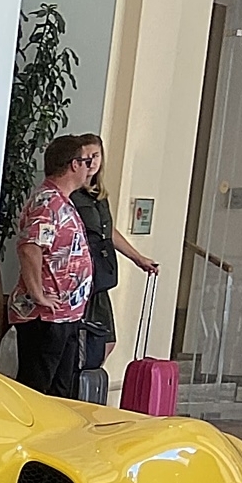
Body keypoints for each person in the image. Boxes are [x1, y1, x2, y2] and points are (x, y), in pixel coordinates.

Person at [12, 136, 97, 398]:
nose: (89, 169)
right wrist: (38, 294)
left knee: (59, 392)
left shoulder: (62, 200)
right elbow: (30, 247)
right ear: (74, 165)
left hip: (64, 315)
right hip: (46, 316)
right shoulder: (48, 202)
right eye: (86, 162)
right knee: (36, 390)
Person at [73, 134, 159, 373]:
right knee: (86, 341)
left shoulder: (99, 196)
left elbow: (108, 231)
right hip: (82, 277)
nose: (91, 162)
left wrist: (138, 258)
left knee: (107, 341)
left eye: (96, 156)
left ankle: (86, 381)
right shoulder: (72, 195)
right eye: (86, 157)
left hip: (102, 276)